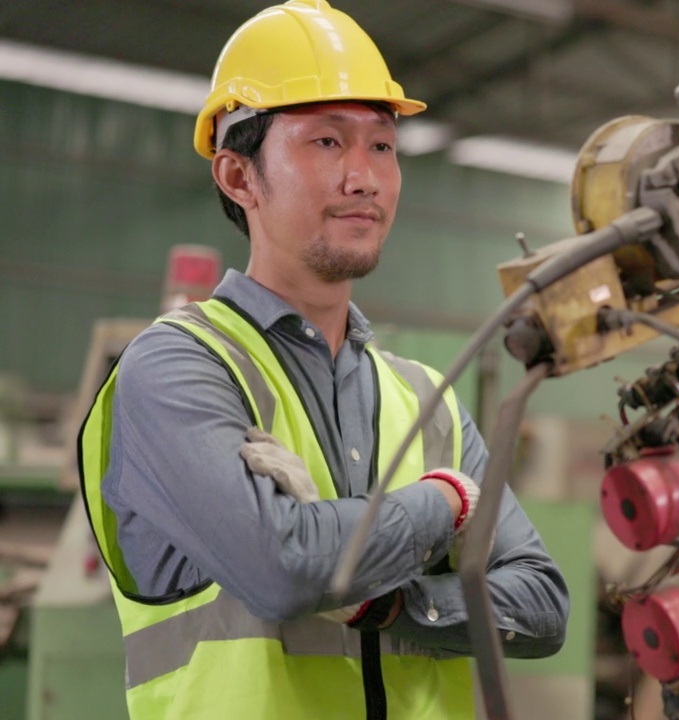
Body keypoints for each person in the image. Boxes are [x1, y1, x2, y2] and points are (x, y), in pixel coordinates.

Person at [78, 1, 570, 718]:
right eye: (327, 143)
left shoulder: (424, 396)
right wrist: (446, 502)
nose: (364, 177)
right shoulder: (177, 369)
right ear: (239, 177)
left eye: (381, 147)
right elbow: (284, 569)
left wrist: (382, 603)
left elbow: (543, 604)